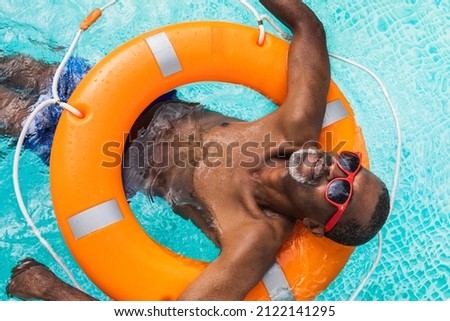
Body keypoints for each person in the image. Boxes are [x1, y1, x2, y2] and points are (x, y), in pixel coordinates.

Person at [4, 0, 390, 301]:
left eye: (340, 192)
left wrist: (50, 290)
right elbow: (309, 29)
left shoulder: (254, 236)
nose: (334, 171)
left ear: (315, 226)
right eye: (350, 165)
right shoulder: (295, 127)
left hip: (95, 159)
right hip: (121, 99)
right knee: (15, 66)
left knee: (9, 112)